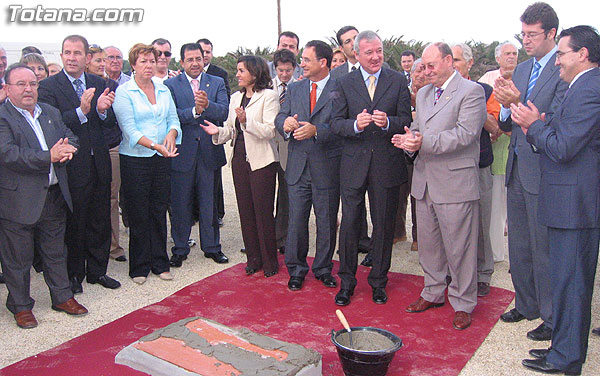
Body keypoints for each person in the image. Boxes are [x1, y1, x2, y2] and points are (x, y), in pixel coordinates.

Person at [514, 25, 600, 376]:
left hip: (576, 206)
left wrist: (535, 125)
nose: (558, 62)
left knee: (573, 284)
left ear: (582, 54)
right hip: (568, 203)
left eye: (562, 54)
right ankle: (561, 349)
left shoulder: (590, 88)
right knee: (565, 283)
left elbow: (564, 147)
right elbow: (562, 132)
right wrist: (538, 124)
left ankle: (567, 359)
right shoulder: (578, 86)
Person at [396, 42, 486, 330]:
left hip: (455, 181)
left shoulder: (471, 92)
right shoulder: (423, 93)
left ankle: (463, 302)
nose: (426, 70)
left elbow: (466, 135)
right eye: (424, 65)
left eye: (432, 65)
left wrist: (424, 142)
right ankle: (433, 291)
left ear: (449, 61)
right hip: (424, 181)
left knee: (460, 247)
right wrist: (410, 142)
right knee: (430, 246)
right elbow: (420, 128)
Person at [493, 2, 567, 341]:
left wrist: (520, 104)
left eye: (532, 34)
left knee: (543, 246)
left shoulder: (564, 69)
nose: (526, 41)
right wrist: (507, 106)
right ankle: (526, 302)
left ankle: (552, 316)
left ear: (551, 33)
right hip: (517, 165)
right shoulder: (520, 70)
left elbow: (559, 120)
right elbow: (509, 122)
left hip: (545, 168)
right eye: (522, 34)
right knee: (519, 244)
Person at [0, 64, 87, 329]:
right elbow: (8, 153)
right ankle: (20, 305)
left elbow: (71, 136)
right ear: (6, 88)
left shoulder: (49, 112)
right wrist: (48, 156)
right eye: (21, 84)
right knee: (18, 258)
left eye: (33, 83)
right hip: (18, 201)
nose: (28, 89)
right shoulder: (2, 117)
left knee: (55, 251)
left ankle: (62, 296)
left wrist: (68, 148)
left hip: (53, 195)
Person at [331, 30, 411, 306]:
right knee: (350, 225)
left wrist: (388, 122)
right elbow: (335, 123)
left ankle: (379, 281)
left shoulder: (398, 81)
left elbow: (406, 120)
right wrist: (355, 124)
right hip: (353, 165)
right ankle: (347, 282)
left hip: (386, 165)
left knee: (383, 226)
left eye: (379, 51)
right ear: (356, 54)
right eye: (369, 52)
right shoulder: (343, 82)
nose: (376, 57)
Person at [38, 35, 121, 294]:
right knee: (75, 222)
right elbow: (52, 123)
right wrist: (82, 111)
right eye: (67, 52)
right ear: (61, 56)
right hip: (72, 166)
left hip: (100, 163)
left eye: (77, 53)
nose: (72, 57)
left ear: (87, 58)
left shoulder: (100, 82)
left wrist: (103, 110)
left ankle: (98, 272)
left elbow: (109, 125)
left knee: (100, 219)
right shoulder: (49, 86)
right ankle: (74, 275)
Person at [201, 56, 280, 278]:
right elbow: (231, 130)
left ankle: (269, 261)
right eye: (237, 70)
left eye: (241, 71)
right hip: (240, 158)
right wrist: (218, 132)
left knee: (263, 211)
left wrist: (246, 121)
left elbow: (270, 131)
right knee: (245, 210)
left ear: (254, 73)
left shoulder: (269, 97)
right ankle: (253, 259)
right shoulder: (235, 97)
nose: (237, 75)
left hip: (262, 160)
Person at [275, 40, 341, 291]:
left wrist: (318, 131)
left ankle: (323, 268)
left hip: (327, 167)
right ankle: (296, 269)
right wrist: (286, 125)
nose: (300, 63)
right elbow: (280, 116)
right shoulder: (296, 88)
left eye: (305, 60)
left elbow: (343, 124)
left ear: (322, 63)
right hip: (298, 167)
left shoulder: (340, 87)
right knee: (296, 222)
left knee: (325, 222)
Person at [112, 43, 181, 284]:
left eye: (152, 60)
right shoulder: (124, 92)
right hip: (135, 159)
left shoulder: (163, 89)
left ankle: (160, 262)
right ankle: (139, 266)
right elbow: (129, 129)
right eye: (144, 61)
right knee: (139, 212)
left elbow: (173, 118)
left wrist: (171, 135)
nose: (149, 65)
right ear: (133, 65)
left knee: (158, 210)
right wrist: (155, 145)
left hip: (162, 159)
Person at [164, 43, 229, 267]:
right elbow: (170, 115)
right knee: (180, 202)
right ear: (181, 63)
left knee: (209, 201)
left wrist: (207, 105)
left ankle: (212, 247)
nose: (195, 63)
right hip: (182, 152)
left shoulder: (217, 82)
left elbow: (224, 111)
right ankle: (180, 248)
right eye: (190, 59)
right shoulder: (170, 85)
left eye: (198, 59)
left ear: (204, 60)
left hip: (209, 152)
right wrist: (195, 111)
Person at [451, 43, 501, 298]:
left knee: (480, 222)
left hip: (478, 164)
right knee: (452, 224)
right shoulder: (438, 90)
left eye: (457, 60)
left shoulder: (485, 90)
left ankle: (482, 274)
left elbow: (495, 127)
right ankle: (454, 272)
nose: (453, 65)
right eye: (450, 60)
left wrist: (473, 100)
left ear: (469, 64)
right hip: (448, 167)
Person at [479, 42, 518, 263]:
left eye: (514, 53)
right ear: (498, 58)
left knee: (515, 206)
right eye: (507, 54)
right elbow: (481, 109)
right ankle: (495, 254)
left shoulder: (524, 76)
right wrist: (495, 128)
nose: (511, 57)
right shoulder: (487, 79)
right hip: (495, 148)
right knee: (495, 206)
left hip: (517, 145)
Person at [86, 45, 125, 263]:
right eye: (98, 60)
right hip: (82, 152)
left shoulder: (111, 86)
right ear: (87, 61)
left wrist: (101, 110)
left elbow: (114, 119)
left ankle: (113, 246)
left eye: (104, 60)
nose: (102, 64)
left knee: (111, 198)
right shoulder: (75, 86)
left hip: (110, 148)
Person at [197, 38, 230, 227]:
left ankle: (217, 213)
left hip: (212, 132)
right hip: (189, 139)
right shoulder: (177, 80)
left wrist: (207, 106)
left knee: (213, 180)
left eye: (207, 52)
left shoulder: (219, 75)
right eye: (202, 51)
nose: (204, 55)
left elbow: (223, 107)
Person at [272, 48, 297, 255]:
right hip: (267, 145)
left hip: (289, 148)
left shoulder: (299, 87)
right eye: (280, 70)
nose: (284, 75)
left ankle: (284, 237)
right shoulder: (267, 87)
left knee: (286, 195)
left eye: (288, 71)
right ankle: (265, 236)